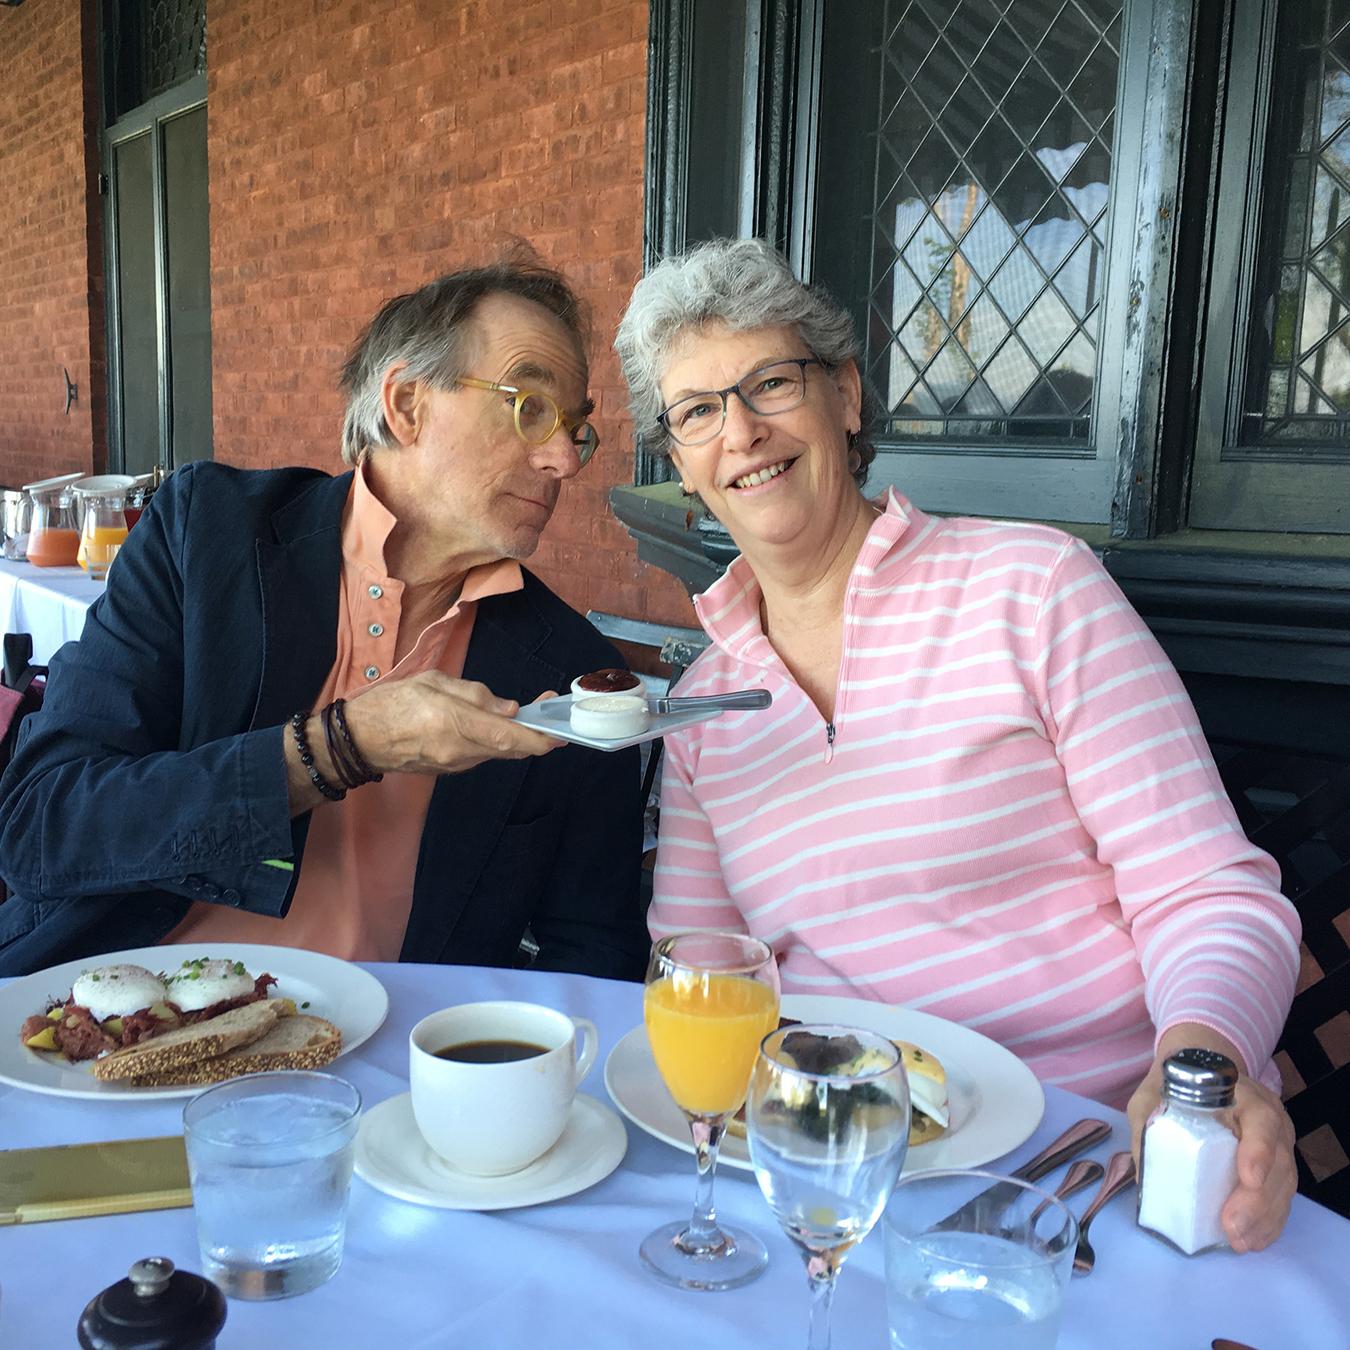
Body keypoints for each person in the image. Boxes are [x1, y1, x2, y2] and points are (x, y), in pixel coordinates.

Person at [615, 237, 1301, 1250]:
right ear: (679, 459)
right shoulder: (709, 704)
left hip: (1091, 1163)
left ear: (846, 397)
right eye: (699, 410)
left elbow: (1206, 892)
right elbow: (700, 977)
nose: (742, 432)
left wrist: (1200, 1068)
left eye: (770, 382)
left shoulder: (1031, 589)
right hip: (834, 1170)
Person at [0, 253, 646, 981]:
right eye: (530, 408)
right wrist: (340, 746)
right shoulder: (207, 535)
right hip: (108, 1013)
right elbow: (40, 826)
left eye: (574, 428)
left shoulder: (569, 666)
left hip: (388, 1069)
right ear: (405, 405)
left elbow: (596, 951)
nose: (565, 458)